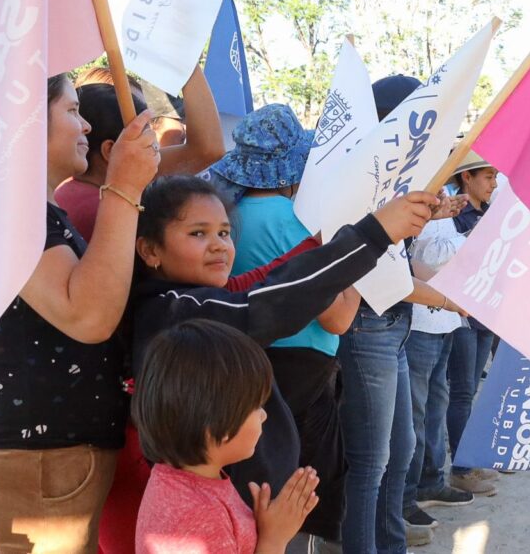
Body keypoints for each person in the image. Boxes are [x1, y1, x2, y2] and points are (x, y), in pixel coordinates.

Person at [131, 175, 434, 512]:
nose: (218, 244)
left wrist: (327, 242)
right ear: (150, 250)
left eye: (224, 233)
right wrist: (373, 235)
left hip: (248, 507)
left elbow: (269, 277)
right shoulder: (174, 311)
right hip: (224, 512)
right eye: (198, 233)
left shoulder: (201, 299)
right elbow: (272, 301)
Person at [0, 75, 159, 553]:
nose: (84, 123)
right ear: (26, 120)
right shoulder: (13, 209)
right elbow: (87, 315)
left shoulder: (32, 209)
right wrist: (124, 184)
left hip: (49, 457)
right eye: (70, 110)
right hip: (37, 461)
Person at [215, 103, 359, 550]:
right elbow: (337, 318)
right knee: (300, 494)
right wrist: (351, 269)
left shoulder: (220, 217)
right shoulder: (304, 224)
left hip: (239, 369)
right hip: (304, 380)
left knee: (251, 491)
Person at [337, 75, 467, 554]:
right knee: (371, 463)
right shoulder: (361, 179)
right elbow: (371, 269)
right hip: (368, 325)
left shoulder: (396, 178)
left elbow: (392, 256)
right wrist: (446, 298)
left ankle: (390, 544)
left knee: (400, 453)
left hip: (392, 326)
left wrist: (426, 217)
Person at [133, 319, 320, 553]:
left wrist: (261, 527)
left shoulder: (184, 481)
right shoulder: (199, 517)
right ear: (216, 426)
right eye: (256, 406)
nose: (263, 416)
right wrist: (274, 539)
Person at [57, 65, 225, 242]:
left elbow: (206, 150)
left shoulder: (75, 189)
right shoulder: (104, 210)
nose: (155, 145)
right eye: (145, 133)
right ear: (110, 150)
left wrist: (185, 59)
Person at [402, 187, 483, 539]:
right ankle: (406, 498)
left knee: (437, 404)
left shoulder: (442, 190)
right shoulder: (409, 189)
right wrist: (476, 240)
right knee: (413, 417)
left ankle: (431, 480)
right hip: (421, 321)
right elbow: (424, 260)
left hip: (444, 319)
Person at [446, 153, 504, 493]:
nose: (494, 183)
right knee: (462, 391)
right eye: (488, 176)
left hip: (486, 312)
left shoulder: (488, 212)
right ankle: (461, 468)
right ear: (466, 178)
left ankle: (470, 459)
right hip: (462, 313)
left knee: (469, 391)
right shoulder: (455, 214)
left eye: (495, 176)